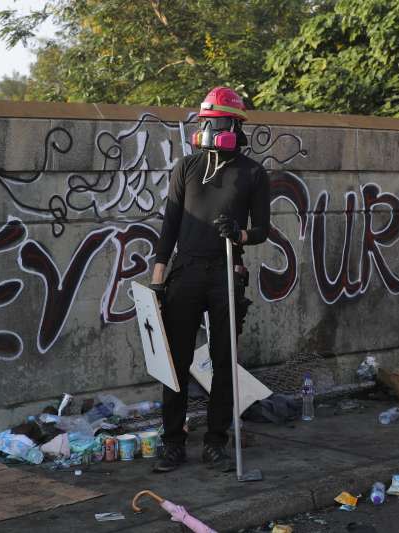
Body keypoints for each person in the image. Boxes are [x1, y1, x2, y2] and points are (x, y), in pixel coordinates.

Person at [149, 87, 270, 473]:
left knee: (223, 361)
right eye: (204, 121)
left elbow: (263, 230)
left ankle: (216, 441)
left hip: (225, 271)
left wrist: (239, 234)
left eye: (215, 121)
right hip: (185, 273)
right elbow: (169, 226)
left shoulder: (252, 172)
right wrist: (157, 279)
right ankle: (172, 443)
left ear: (233, 124)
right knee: (176, 361)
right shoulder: (185, 167)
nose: (208, 128)